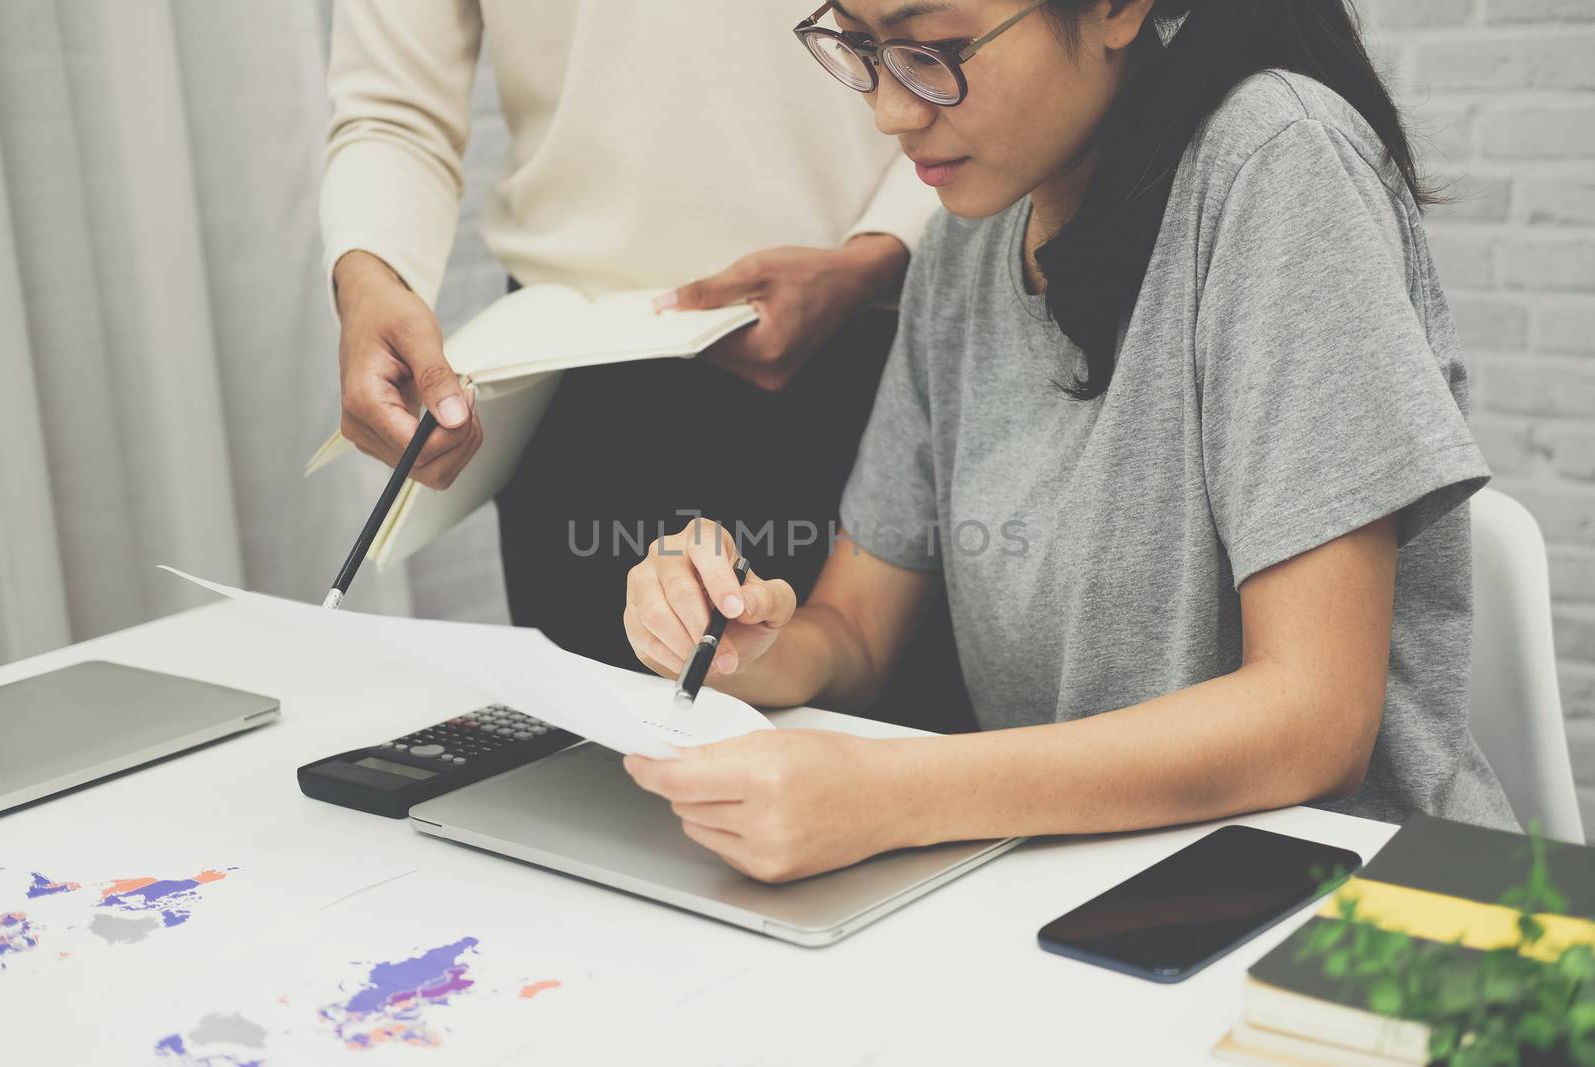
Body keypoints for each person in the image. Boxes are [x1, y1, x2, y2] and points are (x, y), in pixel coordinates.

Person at [620, 0, 1519, 884]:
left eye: (931, 47)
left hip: (1362, 909)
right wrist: (738, 643)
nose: (892, 111)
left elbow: (1314, 721)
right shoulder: (960, 252)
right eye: (858, 45)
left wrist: (894, 794)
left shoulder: (1277, 162)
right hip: (1091, 889)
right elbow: (852, 630)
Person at [321, 2, 973, 733]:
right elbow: (391, 104)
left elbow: (980, 51)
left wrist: (882, 253)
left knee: (893, 740)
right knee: (586, 776)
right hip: (572, 383)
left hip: (871, 335)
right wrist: (370, 277)